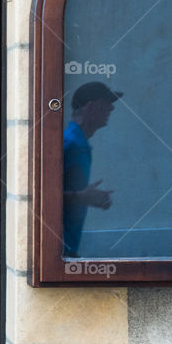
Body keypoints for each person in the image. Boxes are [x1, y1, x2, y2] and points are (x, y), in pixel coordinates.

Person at [62, 81, 122, 257]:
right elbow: (40, 197)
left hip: (67, 249)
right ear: (91, 107)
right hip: (60, 252)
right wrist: (81, 197)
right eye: (106, 103)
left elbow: (65, 192)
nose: (112, 109)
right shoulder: (70, 144)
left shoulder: (78, 142)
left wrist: (86, 198)